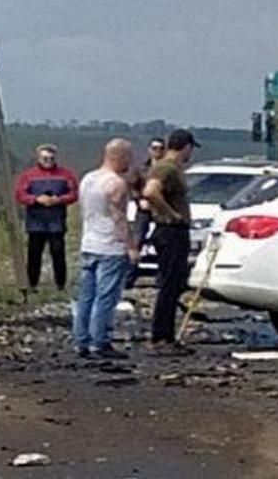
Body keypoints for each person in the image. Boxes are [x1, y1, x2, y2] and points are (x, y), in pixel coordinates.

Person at [73, 139, 139, 360]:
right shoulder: (116, 184)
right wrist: (131, 246)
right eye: (128, 157)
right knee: (106, 297)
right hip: (110, 245)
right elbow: (119, 219)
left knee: (86, 296)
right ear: (119, 156)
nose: (130, 162)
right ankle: (99, 341)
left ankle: (81, 339)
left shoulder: (88, 179)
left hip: (89, 242)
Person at [143, 129, 199, 356]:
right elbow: (151, 192)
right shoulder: (166, 167)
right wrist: (172, 214)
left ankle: (166, 335)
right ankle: (161, 336)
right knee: (169, 284)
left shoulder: (171, 168)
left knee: (175, 283)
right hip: (170, 230)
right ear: (186, 147)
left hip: (174, 230)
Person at [14, 144, 79, 290]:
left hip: (56, 221)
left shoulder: (66, 174)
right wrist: (36, 199)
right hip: (35, 222)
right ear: (38, 158)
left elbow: (74, 194)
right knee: (34, 254)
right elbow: (20, 194)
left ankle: (61, 284)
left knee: (58, 253)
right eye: (45, 158)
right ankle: (32, 284)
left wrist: (59, 200)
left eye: (51, 158)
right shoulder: (28, 175)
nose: (48, 161)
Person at [124, 137, 165, 288]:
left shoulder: (168, 169)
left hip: (162, 211)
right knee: (137, 241)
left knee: (162, 243)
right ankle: (129, 277)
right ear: (149, 150)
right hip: (144, 210)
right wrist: (139, 199)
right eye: (154, 148)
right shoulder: (141, 169)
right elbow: (132, 185)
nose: (157, 151)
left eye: (160, 148)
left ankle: (161, 279)